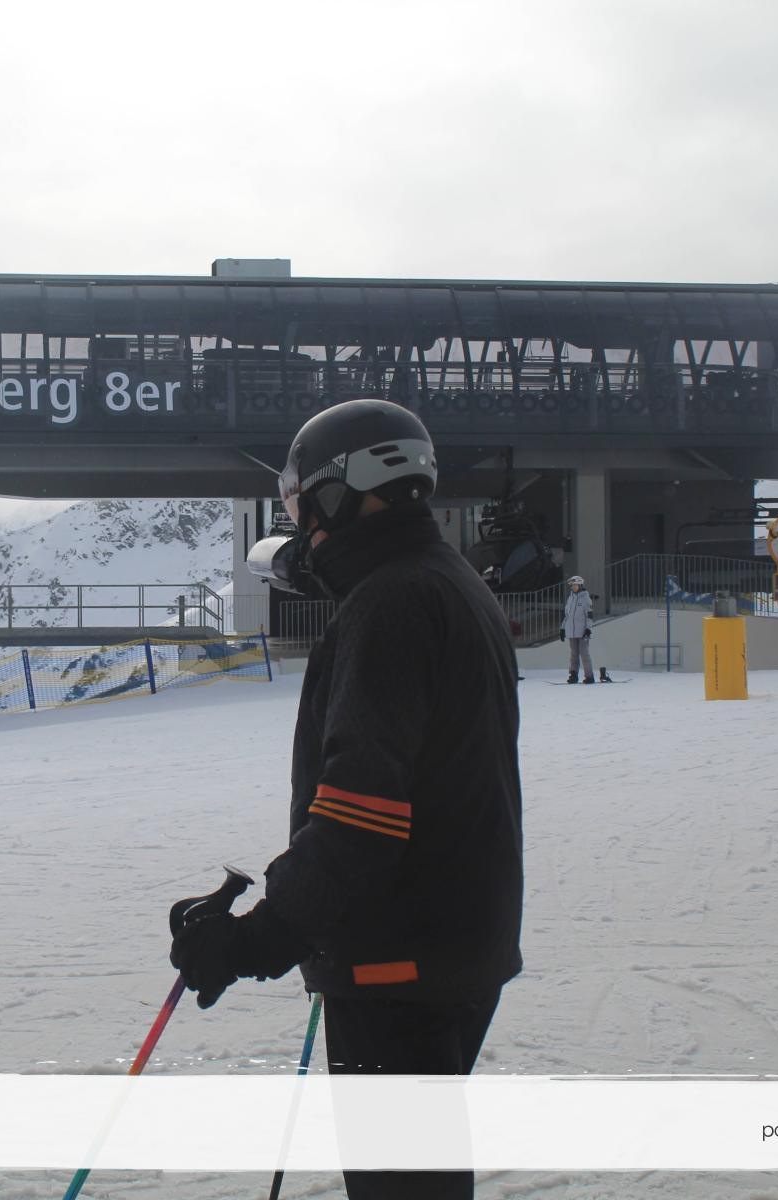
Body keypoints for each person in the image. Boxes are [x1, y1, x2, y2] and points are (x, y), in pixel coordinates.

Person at [169, 398, 524, 1200]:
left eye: (301, 506)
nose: (302, 529)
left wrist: (258, 939)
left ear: (338, 492)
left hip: (400, 959)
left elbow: (360, 818)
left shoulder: (389, 605)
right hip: (459, 943)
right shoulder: (449, 583)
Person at [562, 575, 595, 683]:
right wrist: (562, 629)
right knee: (573, 654)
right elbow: (567, 616)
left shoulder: (585, 598)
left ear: (580, 585)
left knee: (584, 653)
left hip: (583, 632)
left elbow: (589, 616)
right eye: (572, 585)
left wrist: (588, 629)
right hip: (571, 632)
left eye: (575, 585)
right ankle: (573, 675)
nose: (573, 587)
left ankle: (589, 676)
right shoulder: (570, 598)